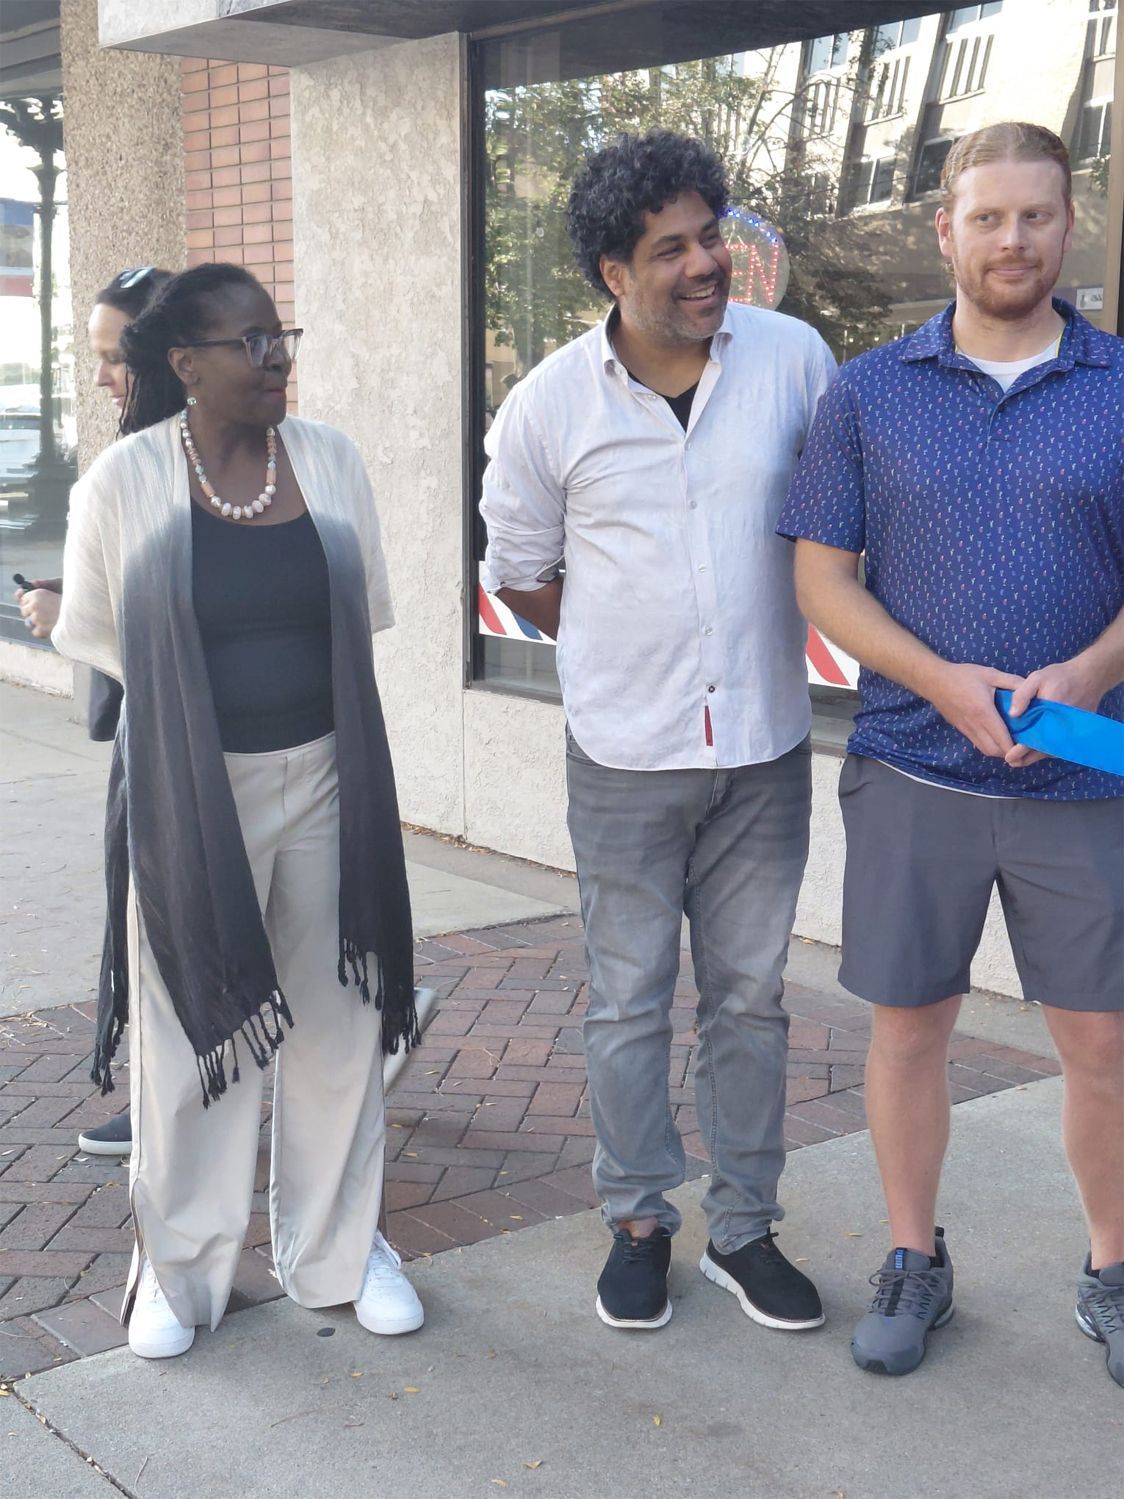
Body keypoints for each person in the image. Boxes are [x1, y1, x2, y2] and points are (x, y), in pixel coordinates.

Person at [779, 123, 1124, 1386]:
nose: (1012, 240)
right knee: (907, 1028)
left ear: (1065, 223)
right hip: (914, 765)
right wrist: (938, 678)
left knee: (1099, 1043)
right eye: (987, 217)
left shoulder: (1118, 383)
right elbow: (821, 574)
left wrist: (1085, 672)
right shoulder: (868, 390)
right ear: (944, 229)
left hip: (1083, 776)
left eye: (1035, 216)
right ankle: (912, 1255)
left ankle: (1110, 1269)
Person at [481, 130, 835, 1332]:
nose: (702, 264)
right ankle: (638, 1219)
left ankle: (743, 1229)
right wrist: (618, 642)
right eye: (668, 248)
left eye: (708, 236)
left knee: (750, 999)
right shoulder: (546, 407)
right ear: (610, 275)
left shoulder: (794, 362)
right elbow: (521, 569)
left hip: (763, 751)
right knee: (628, 1000)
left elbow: (835, 532)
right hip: (624, 756)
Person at [52, 261, 425, 1359]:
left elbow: (361, 615)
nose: (275, 357)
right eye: (249, 340)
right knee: (188, 1029)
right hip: (194, 790)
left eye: (281, 335)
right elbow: (101, 631)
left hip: (328, 775)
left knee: (337, 1025)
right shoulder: (121, 483)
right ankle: (176, 1268)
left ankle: (339, 1249)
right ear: (185, 363)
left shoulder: (329, 462)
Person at [19, 265, 174, 1158]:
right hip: (219, 739)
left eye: (114, 358)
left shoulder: (140, 469)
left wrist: (63, 620)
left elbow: (166, 642)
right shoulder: (207, 455)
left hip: (172, 744)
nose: (103, 378)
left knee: (161, 927)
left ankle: (165, 1108)